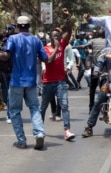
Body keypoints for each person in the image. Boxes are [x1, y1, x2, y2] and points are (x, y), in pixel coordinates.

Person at [0, 16, 51, 150]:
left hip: (16, 81)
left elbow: (6, 56)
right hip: (31, 81)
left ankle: (21, 140)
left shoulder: (13, 39)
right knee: (34, 108)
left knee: (15, 111)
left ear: (17, 26)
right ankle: (39, 133)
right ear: (29, 26)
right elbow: (46, 59)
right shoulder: (36, 40)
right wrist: (57, 48)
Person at [40, 8, 76, 141]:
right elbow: (48, 61)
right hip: (48, 82)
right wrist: (55, 48)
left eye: (58, 36)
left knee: (65, 105)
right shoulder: (45, 49)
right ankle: (39, 130)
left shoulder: (63, 44)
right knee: (43, 107)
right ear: (50, 37)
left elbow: (69, 30)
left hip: (60, 81)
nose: (56, 38)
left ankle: (67, 130)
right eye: (54, 36)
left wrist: (67, 19)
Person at [84, 28, 105, 113]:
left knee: (92, 88)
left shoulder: (93, 41)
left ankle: (91, 107)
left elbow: (86, 46)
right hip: (105, 67)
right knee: (104, 87)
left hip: (95, 66)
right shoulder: (107, 41)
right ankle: (104, 106)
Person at [0, 24, 16, 124]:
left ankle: (10, 114)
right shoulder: (3, 43)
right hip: (4, 70)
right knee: (6, 93)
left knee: (10, 93)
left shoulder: (16, 41)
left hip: (14, 70)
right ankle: (8, 110)